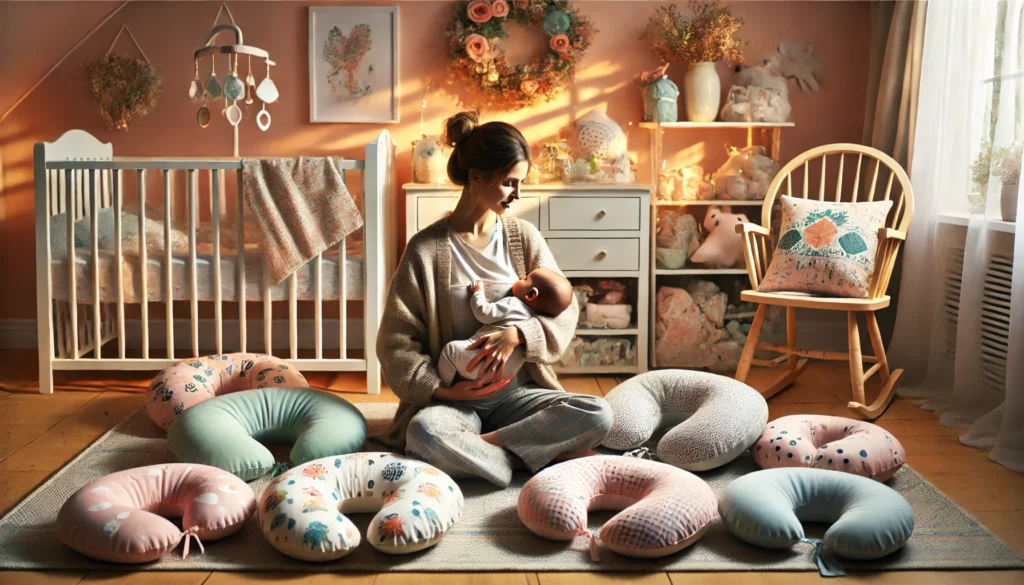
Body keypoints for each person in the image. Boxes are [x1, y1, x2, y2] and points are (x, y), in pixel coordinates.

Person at [371, 111, 613, 488]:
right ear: (475, 177)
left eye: (520, 183)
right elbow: (396, 342)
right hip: (455, 403)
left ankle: (482, 452)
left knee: (598, 413)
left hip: (519, 396)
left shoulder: (523, 237)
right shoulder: (426, 249)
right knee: (423, 433)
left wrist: (519, 335)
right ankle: (528, 455)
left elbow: (566, 308)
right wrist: (443, 389)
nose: (517, 194)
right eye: (509, 183)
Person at [438, 268, 574, 387]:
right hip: (504, 374)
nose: (521, 278)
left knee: (450, 351)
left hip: (477, 361)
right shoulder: (534, 319)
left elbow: (484, 313)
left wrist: (477, 293)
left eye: (525, 278)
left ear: (531, 295)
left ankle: (445, 385)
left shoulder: (513, 303)